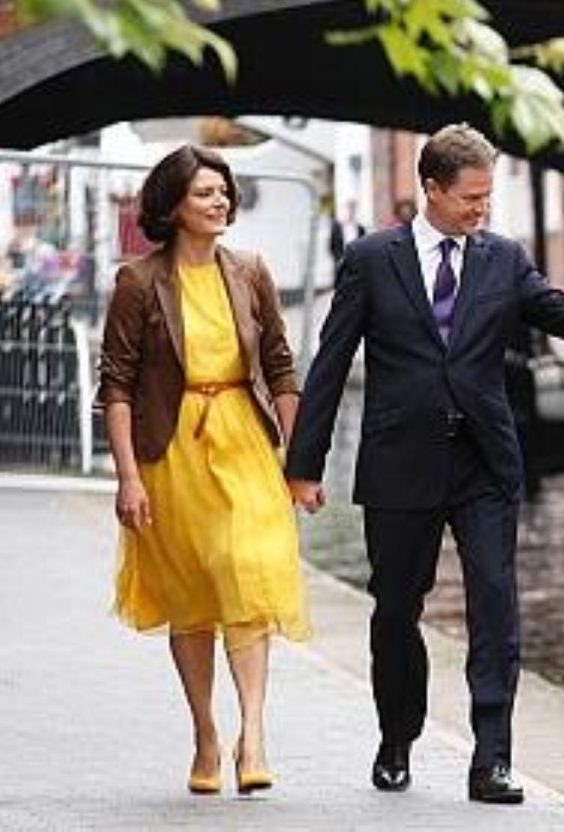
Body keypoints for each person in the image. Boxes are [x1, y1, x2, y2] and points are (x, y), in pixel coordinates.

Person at [285, 123, 564, 805]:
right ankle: (397, 735)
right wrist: (304, 464)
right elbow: (333, 360)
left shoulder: (503, 258)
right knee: (396, 609)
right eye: (470, 198)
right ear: (429, 189)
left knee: (496, 604)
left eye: (488, 198)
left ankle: (492, 759)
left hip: (485, 463)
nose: (481, 211)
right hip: (401, 462)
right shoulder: (374, 259)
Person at [97, 144, 311, 797]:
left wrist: (300, 462)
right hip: (173, 451)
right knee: (193, 592)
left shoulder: (249, 271)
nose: (218, 201)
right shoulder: (138, 282)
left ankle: (254, 733)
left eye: (223, 191)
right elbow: (118, 386)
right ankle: (205, 734)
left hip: (245, 443)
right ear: (172, 207)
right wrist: (128, 477)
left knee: (247, 566)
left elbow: (278, 365)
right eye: (203, 193)